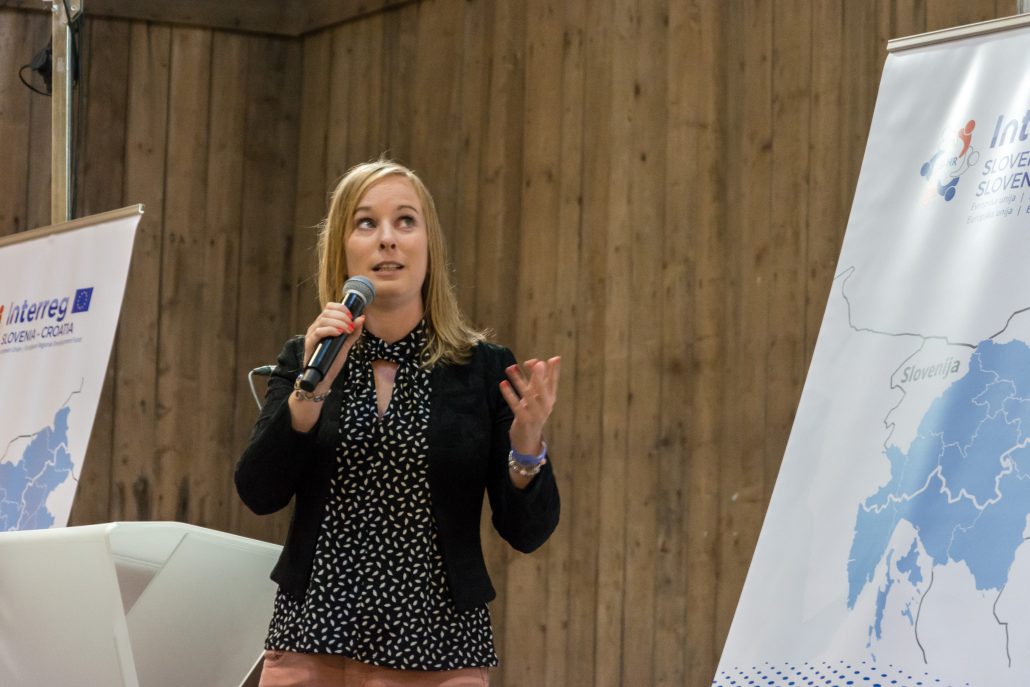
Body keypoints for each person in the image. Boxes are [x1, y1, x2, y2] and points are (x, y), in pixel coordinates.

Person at [235, 159, 561, 687]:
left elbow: (527, 532)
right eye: (366, 223)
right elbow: (258, 492)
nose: (387, 238)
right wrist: (310, 392)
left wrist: (526, 450)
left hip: (440, 651)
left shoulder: (481, 370)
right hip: (313, 644)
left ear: (430, 246)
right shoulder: (308, 356)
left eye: (405, 221)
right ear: (342, 248)